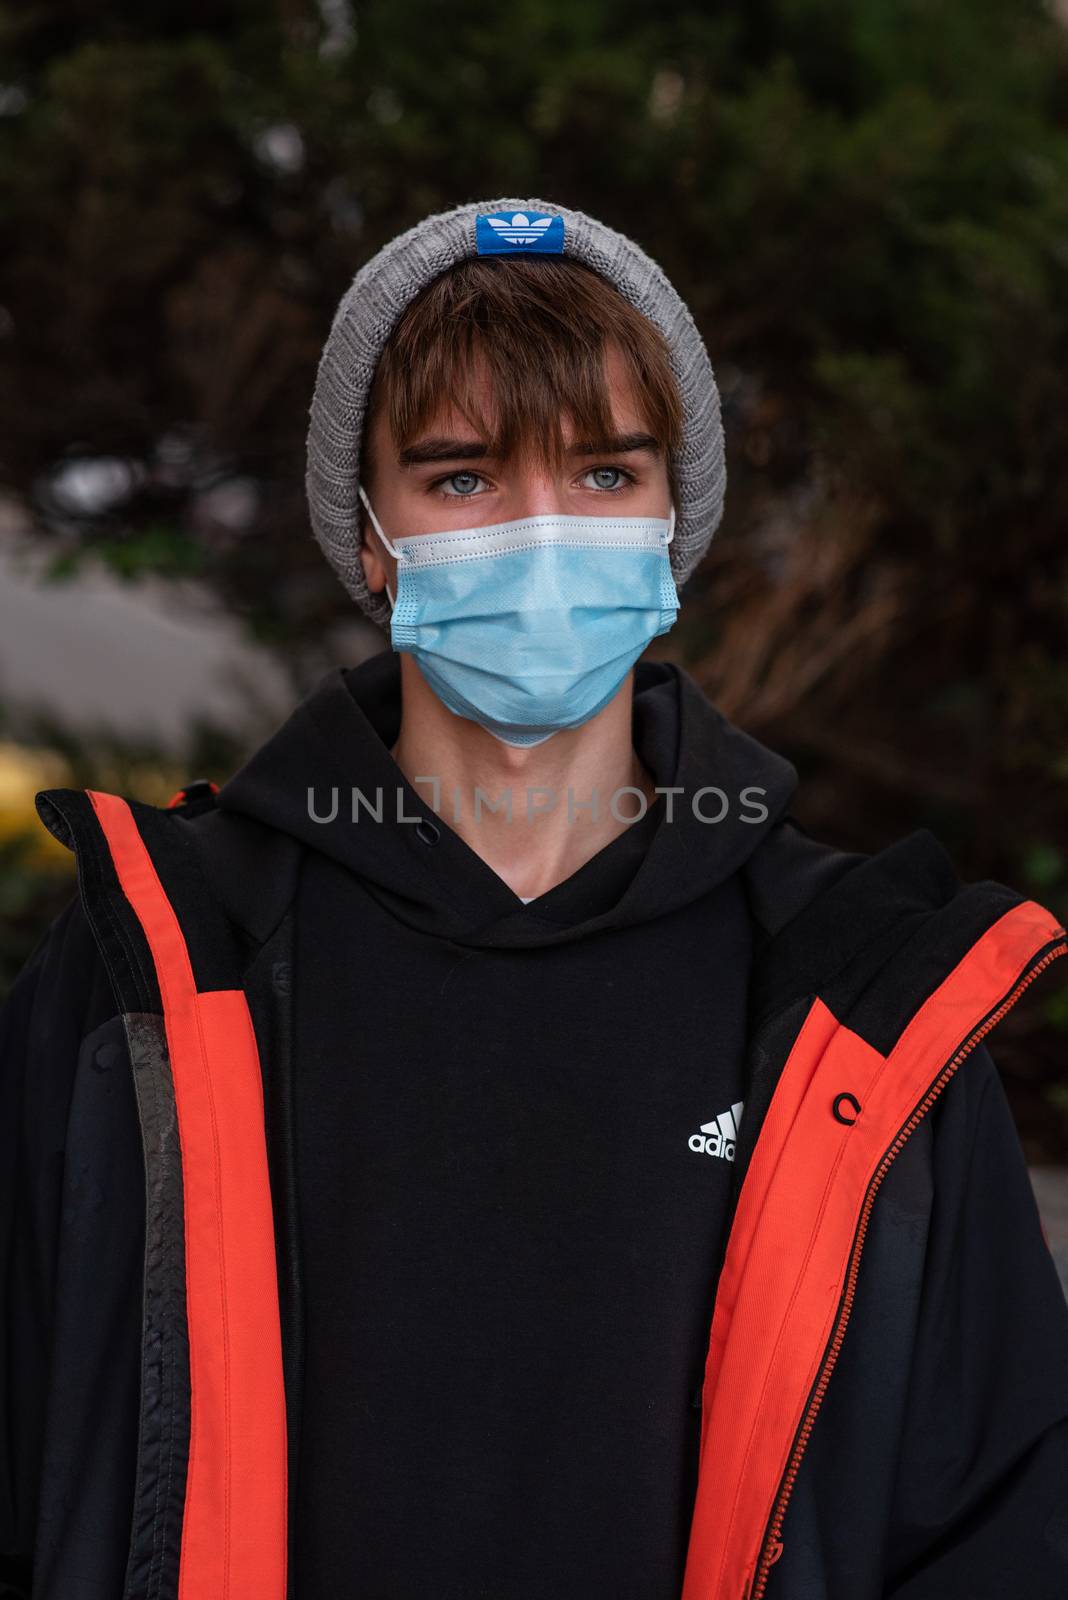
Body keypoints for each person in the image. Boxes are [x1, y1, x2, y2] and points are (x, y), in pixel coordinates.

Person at [1, 198, 1066, 1600]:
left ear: (674, 518)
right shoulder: (153, 968)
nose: (543, 536)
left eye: (606, 473)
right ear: (370, 536)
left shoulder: (860, 996)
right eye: (461, 479)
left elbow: (1003, 1521)